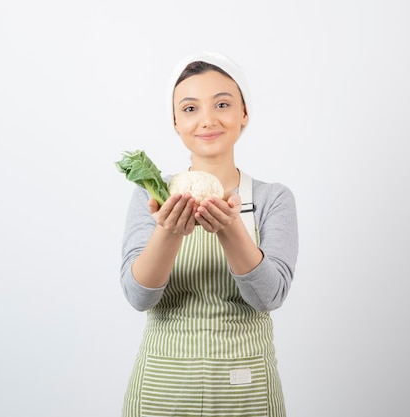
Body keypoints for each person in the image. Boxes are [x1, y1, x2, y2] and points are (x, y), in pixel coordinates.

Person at [120, 51, 299, 417]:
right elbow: (139, 297)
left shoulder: (271, 199)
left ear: (243, 114)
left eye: (222, 104)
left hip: (245, 388)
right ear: (174, 122)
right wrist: (168, 232)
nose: (207, 120)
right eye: (189, 109)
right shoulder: (151, 196)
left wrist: (232, 229)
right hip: (164, 389)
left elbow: (270, 296)